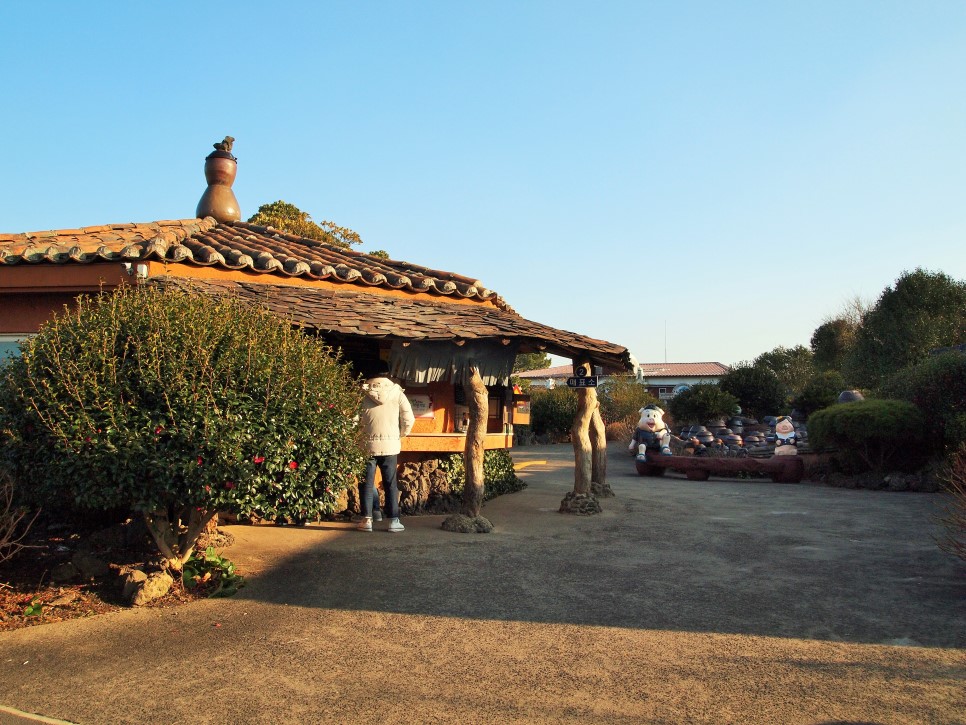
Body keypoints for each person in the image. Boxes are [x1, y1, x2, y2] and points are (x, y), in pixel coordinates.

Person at [357, 361, 414, 533]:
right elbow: (409, 419)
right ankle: (393, 521)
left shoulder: (360, 393)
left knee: (366, 483)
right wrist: (401, 434)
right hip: (391, 445)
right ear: (387, 374)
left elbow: (351, 420)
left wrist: (355, 437)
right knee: (390, 484)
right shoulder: (397, 392)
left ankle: (367, 520)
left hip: (365, 445)